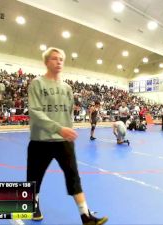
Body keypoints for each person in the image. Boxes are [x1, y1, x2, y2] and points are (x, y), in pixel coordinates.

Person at [27, 47, 108, 225]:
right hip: (41, 140)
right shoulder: (37, 84)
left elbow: (68, 113)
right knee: (35, 178)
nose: (59, 62)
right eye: (54, 58)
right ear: (46, 62)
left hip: (64, 141)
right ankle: (33, 205)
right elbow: (34, 112)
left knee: (74, 178)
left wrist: (67, 130)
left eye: (61, 59)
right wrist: (58, 128)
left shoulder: (67, 88)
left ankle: (85, 217)